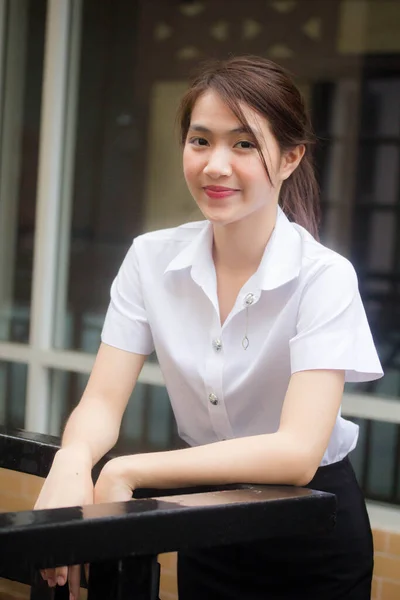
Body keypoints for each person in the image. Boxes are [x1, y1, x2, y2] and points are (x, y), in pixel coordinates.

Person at [35, 55, 383, 600]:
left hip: (311, 531)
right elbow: (102, 403)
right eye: (200, 141)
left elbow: (296, 452)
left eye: (243, 144)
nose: (215, 165)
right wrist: (73, 459)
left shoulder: (324, 277)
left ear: (291, 158)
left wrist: (128, 470)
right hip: (204, 521)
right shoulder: (150, 260)